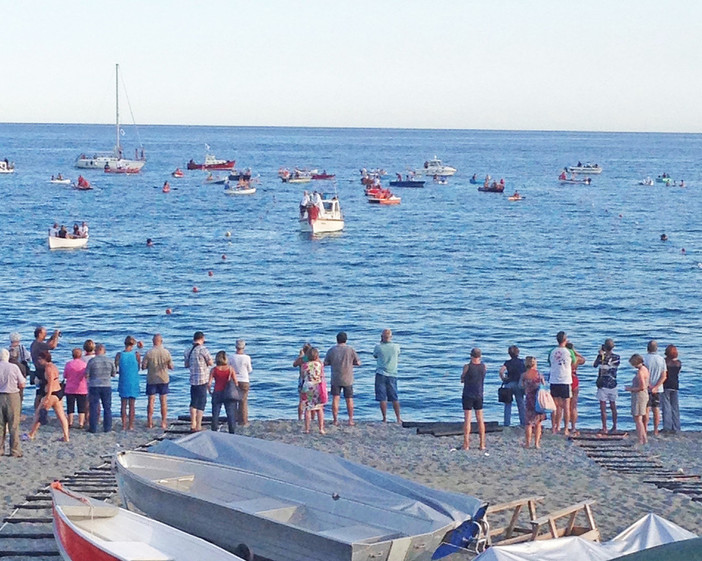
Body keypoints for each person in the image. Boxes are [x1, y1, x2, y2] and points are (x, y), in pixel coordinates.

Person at [27, 351, 70, 442]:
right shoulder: (54, 366)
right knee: (61, 415)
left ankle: (31, 434)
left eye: (40, 359)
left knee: (39, 413)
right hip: (58, 392)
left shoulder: (48, 368)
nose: (38, 361)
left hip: (52, 393)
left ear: (44, 359)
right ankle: (66, 436)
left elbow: (50, 383)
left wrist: (47, 396)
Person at [324, 332, 360, 426]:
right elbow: (358, 362)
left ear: (337, 339)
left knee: (335, 398)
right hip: (348, 378)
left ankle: (335, 420)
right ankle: (350, 420)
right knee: (349, 399)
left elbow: (325, 363)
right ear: (346, 340)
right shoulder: (350, 350)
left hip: (335, 378)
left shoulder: (332, 350)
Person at [141, 334, 173, 429]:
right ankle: (163, 422)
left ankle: (150, 422)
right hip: (163, 379)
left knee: (151, 401)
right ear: (161, 341)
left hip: (152, 379)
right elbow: (171, 366)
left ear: (153, 341)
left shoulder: (149, 353)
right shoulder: (166, 352)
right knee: (163, 401)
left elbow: (143, 367)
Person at [184, 331, 213, 432]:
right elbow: (210, 362)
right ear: (202, 338)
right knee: (201, 402)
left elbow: (186, 365)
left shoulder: (188, 350)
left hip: (193, 379)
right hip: (202, 379)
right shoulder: (203, 350)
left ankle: (193, 424)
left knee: (193, 402)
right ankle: (198, 425)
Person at [547, 331, 574, 436]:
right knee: (566, 406)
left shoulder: (552, 351)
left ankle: (554, 427)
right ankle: (566, 428)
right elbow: (574, 362)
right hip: (565, 380)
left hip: (554, 380)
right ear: (565, 340)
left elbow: (549, 362)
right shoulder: (569, 351)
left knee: (555, 405)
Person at [0, 348, 26, 457]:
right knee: (14, 424)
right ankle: (14, 450)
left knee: (0, 425)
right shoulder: (14, 367)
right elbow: (22, 383)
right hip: (12, 395)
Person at [85, 344, 116, 433]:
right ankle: (107, 427)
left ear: (96, 350)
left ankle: (93, 428)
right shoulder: (110, 361)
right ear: (103, 350)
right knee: (107, 407)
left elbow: (87, 374)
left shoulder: (92, 361)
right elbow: (113, 374)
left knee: (93, 407)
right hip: (106, 385)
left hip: (94, 385)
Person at [373, 329, 401, 423]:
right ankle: (398, 418)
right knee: (394, 397)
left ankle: (384, 418)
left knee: (382, 397)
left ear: (382, 337)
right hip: (392, 373)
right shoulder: (396, 347)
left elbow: (375, 356)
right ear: (391, 337)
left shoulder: (378, 347)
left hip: (380, 373)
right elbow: (398, 354)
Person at [208, 351, 239, 433]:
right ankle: (232, 431)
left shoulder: (214, 370)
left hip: (217, 392)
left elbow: (209, 383)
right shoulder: (230, 369)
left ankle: (214, 430)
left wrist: (210, 391)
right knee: (230, 414)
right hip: (228, 393)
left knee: (215, 413)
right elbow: (236, 382)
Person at [593, 338, 620, 434]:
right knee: (613, 406)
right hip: (613, 384)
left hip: (603, 384)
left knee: (603, 407)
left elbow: (595, 365)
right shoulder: (617, 357)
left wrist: (600, 355)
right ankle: (615, 426)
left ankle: (604, 427)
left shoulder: (601, 357)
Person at [30, 326, 61, 409]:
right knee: (41, 392)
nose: (45, 335)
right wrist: (56, 337)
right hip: (41, 370)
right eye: (44, 334)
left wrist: (53, 336)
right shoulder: (39, 344)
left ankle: (38, 410)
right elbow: (52, 346)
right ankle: (39, 410)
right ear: (40, 334)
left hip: (37, 370)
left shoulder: (35, 343)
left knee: (39, 392)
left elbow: (47, 344)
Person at [461, 348, 486, 450]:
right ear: (480, 356)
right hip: (479, 394)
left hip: (468, 394)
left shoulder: (467, 366)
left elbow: (462, 378)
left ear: (471, 356)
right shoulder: (483, 366)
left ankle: (466, 444)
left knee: (467, 419)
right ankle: (482, 444)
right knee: (480, 419)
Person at [115, 336, 141, 431]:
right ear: (133, 344)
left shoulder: (119, 355)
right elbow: (138, 367)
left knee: (123, 404)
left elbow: (116, 369)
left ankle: (124, 425)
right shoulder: (136, 354)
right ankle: (131, 425)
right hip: (133, 380)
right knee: (132, 405)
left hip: (123, 380)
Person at [520, 356, 546, 449]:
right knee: (538, 423)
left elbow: (521, 386)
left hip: (529, 399)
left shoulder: (524, 375)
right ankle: (537, 444)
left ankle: (527, 443)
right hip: (538, 399)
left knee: (528, 423)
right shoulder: (539, 374)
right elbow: (544, 384)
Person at [300, 347, 327, 434]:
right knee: (319, 408)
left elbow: (303, 375)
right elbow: (322, 375)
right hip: (318, 386)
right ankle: (321, 429)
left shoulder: (305, 365)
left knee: (308, 408)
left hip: (308, 386)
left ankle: (307, 429)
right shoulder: (320, 364)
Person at [625, 354, 650, 445]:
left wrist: (630, 389)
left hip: (639, 396)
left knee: (638, 419)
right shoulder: (645, 369)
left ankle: (640, 439)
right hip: (644, 395)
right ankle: (644, 438)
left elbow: (642, 387)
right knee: (640, 418)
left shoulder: (640, 372)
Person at [643, 340, 667, 436]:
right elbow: (664, 375)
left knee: (647, 409)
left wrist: (649, 385)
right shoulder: (661, 359)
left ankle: (644, 429)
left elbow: (643, 375)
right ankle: (656, 430)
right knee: (656, 409)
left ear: (648, 348)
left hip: (646, 388)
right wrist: (656, 386)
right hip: (658, 389)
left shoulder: (644, 359)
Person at [498, 345, 525, 427]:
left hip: (509, 384)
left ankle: (506, 423)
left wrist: (503, 378)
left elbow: (501, 371)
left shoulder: (507, 363)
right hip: (519, 384)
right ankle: (523, 422)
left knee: (507, 404)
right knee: (521, 403)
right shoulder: (522, 362)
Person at [229, 339, 253, 426]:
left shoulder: (231, 357)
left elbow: (229, 368)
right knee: (243, 401)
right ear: (243, 347)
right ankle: (243, 421)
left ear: (236, 347)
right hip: (244, 380)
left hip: (233, 380)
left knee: (233, 401)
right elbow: (249, 370)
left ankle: (233, 419)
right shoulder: (247, 357)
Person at [63, 348, 88, 428]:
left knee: (70, 406)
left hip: (70, 388)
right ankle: (81, 423)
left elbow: (65, 376)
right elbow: (86, 375)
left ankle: (70, 422)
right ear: (81, 355)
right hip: (81, 388)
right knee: (81, 406)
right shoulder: (84, 364)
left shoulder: (68, 364)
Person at [566, 342, 585, 435]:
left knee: (564, 405)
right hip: (574, 379)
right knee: (574, 405)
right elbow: (584, 360)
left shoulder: (564, 358)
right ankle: (573, 427)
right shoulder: (576, 359)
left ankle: (563, 426)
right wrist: (575, 352)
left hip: (566, 379)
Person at [662, 345, 681, 433]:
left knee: (666, 407)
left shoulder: (665, 363)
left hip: (666, 385)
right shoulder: (678, 363)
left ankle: (667, 427)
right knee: (675, 407)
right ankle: (676, 427)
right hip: (675, 386)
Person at [293, 343, 312, 421]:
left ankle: (300, 418)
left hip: (302, 380)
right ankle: (312, 417)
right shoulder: (312, 358)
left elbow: (294, 364)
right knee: (310, 400)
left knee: (301, 400)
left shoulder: (303, 359)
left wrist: (300, 356)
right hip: (310, 380)